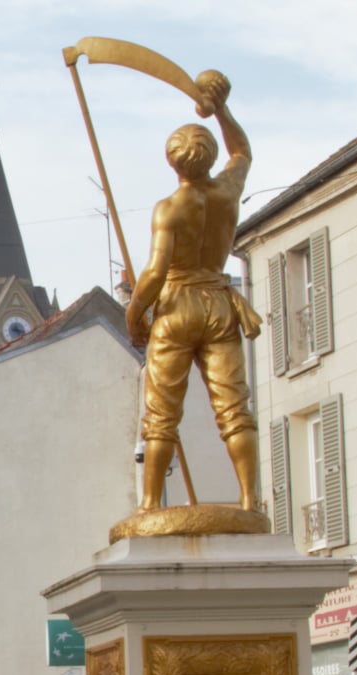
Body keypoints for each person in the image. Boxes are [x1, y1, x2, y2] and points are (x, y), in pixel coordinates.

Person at [125, 69, 263, 515]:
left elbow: (153, 272)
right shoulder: (227, 191)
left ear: (173, 163)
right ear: (209, 157)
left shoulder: (169, 208)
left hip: (178, 307)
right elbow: (242, 150)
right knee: (234, 408)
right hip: (220, 304)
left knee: (162, 414)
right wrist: (219, 108)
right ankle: (248, 498)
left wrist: (134, 316)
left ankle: (149, 504)